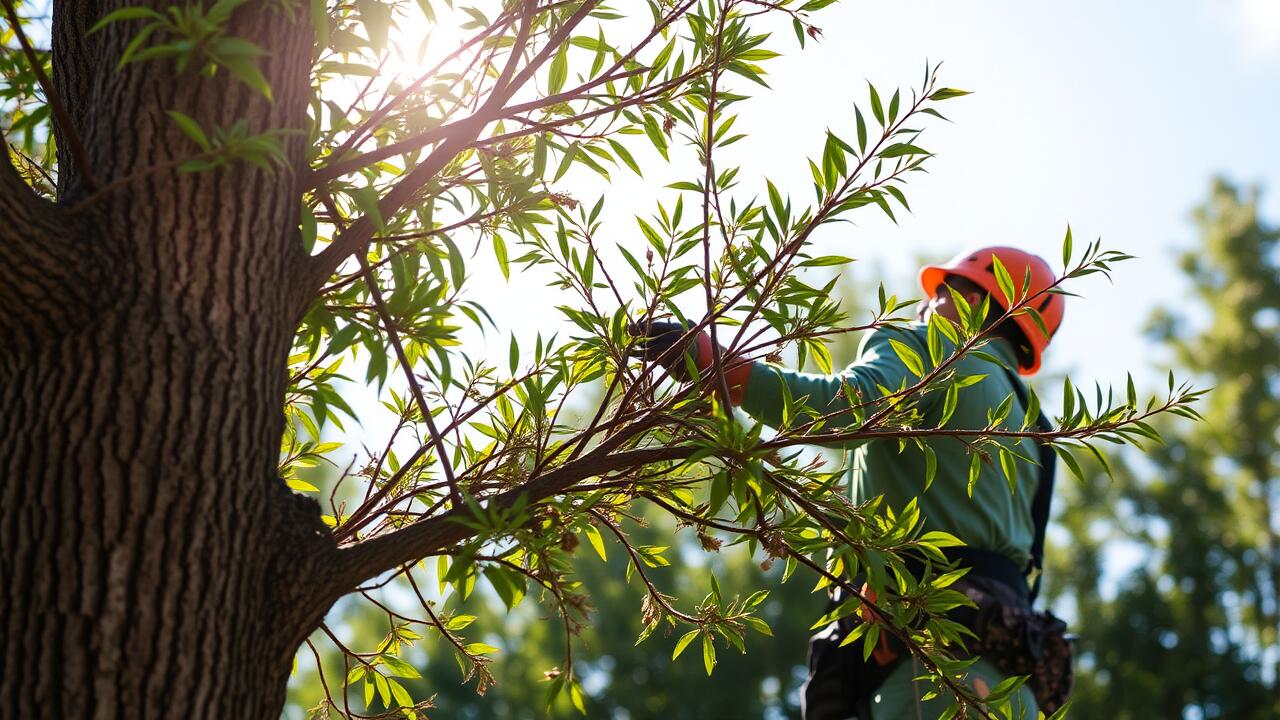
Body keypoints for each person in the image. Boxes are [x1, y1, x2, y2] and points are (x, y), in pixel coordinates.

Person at [633, 247, 1071, 719]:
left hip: (929, 676)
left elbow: (847, 408)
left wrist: (717, 366)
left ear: (974, 300)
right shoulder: (1038, 430)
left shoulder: (932, 347)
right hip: (1010, 684)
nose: (925, 304)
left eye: (942, 290)